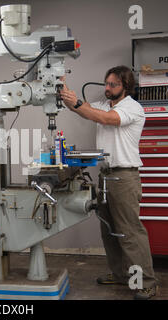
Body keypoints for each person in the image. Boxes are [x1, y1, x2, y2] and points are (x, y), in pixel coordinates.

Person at [59, 65, 158, 300]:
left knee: (129, 232)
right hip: (106, 175)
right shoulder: (106, 104)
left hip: (124, 177)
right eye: (106, 83)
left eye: (113, 85)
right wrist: (60, 84)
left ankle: (146, 282)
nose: (107, 88)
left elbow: (103, 118)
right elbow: (83, 110)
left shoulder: (132, 108)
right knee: (109, 230)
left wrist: (77, 103)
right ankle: (122, 274)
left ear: (125, 86)